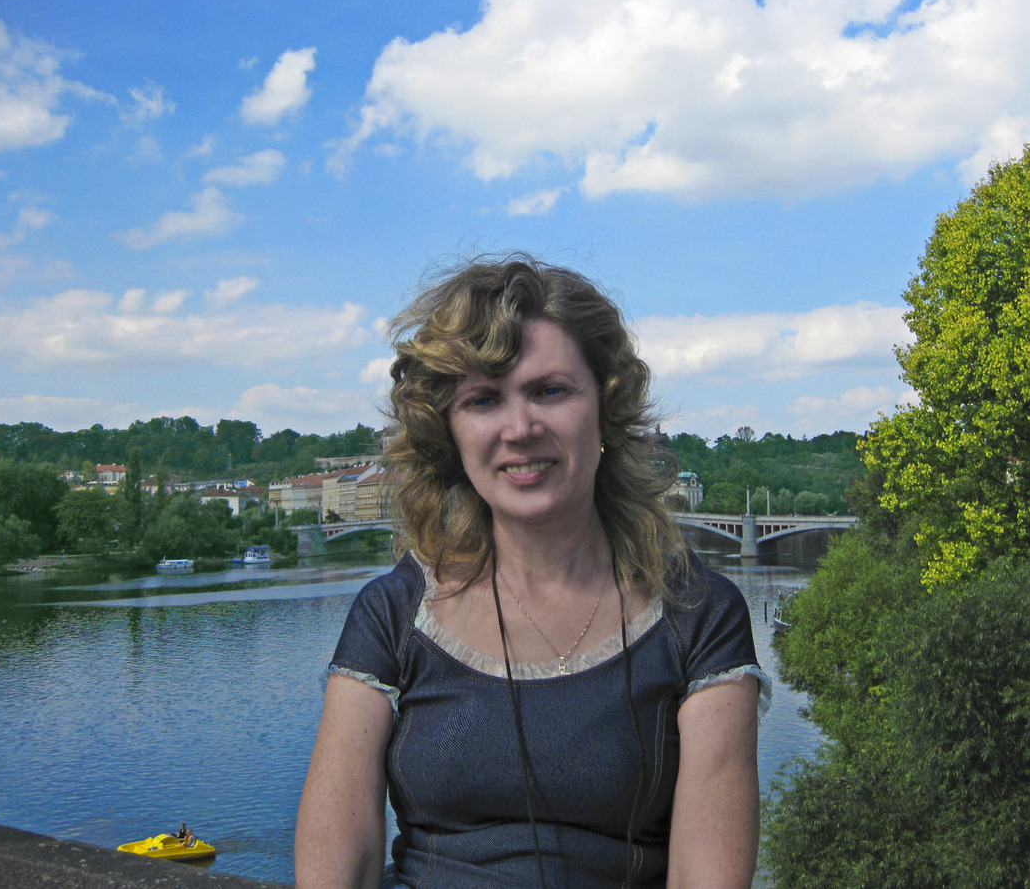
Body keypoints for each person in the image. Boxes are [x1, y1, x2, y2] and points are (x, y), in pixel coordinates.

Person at [295, 255, 772, 888]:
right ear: (450, 432)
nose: (520, 429)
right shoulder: (393, 614)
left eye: (550, 390)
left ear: (604, 411)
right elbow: (335, 873)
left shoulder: (697, 614)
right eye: (483, 400)